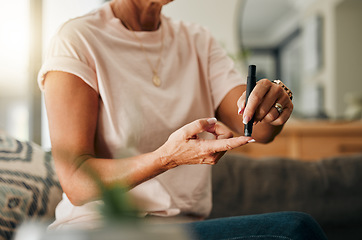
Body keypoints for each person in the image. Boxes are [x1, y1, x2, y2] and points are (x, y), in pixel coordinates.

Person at [38, 0, 327, 239]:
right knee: (293, 232)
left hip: (180, 230)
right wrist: (167, 158)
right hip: (102, 228)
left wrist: (274, 100)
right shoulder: (77, 38)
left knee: (298, 228)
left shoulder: (198, 40)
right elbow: (76, 181)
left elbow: (259, 130)